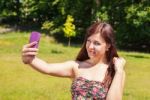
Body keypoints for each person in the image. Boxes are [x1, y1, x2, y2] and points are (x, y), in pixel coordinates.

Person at [22, 21, 126, 100]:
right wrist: (30, 59)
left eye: (97, 43)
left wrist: (119, 71)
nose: (90, 47)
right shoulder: (76, 66)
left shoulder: (115, 72)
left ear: (108, 46)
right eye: (88, 41)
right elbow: (47, 68)